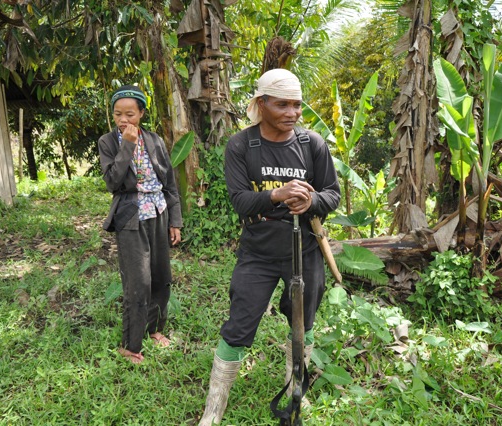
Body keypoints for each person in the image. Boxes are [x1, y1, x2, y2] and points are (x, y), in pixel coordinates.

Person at [198, 69, 340, 424]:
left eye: (297, 105)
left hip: (304, 250)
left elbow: (332, 194)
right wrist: (277, 194)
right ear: (261, 104)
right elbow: (240, 202)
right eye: (283, 105)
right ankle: (213, 410)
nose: (292, 113)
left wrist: (311, 203)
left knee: (302, 323)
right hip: (258, 252)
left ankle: (295, 393)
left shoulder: (312, 145)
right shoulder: (242, 146)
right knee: (239, 325)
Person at [97, 85, 182, 364]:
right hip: (130, 216)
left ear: (141, 114)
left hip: (158, 213)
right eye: (118, 114)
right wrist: (128, 145)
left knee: (160, 275)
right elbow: (113, 182)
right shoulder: (108, 142)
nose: (123, 120)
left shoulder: (155, 140)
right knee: (138, 283)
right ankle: (131, 345)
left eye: (130, 114)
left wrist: (175, 221)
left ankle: (155, 330)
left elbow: (169, 183)